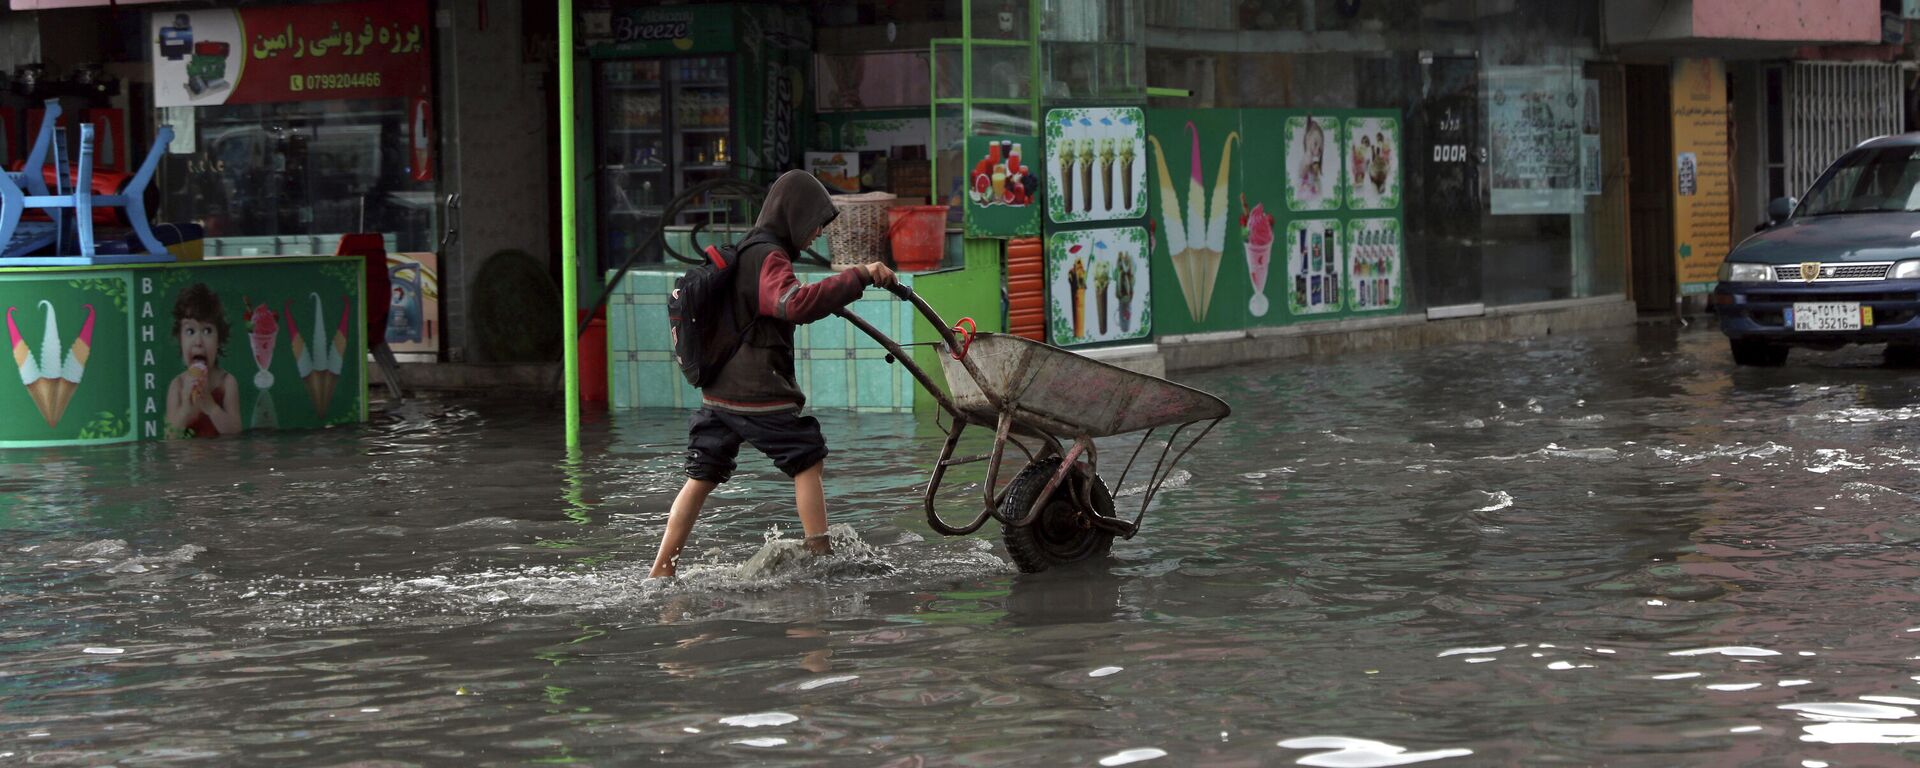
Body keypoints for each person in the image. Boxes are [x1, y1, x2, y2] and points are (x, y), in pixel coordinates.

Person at [649, 170, 898, 578]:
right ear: (794, 214)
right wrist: (860, 275)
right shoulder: (769, 255)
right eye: (815, 222)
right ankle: (822, 556)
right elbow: (792, 303)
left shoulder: (748, 249)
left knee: (701, 476)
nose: (817, 232)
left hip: (718, 391)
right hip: (756, 391)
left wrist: (839, 285)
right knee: (807, 460)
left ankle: (662, 569)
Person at [164, 283, 242, 438]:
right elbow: (169, 436)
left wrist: (211, 406)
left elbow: (236, 433)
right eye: (190, 331)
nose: (198, 341)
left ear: (219, 339)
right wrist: (186, 409)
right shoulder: (177, 386)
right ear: (180, 339)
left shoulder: (227, 383)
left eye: (207, 331)